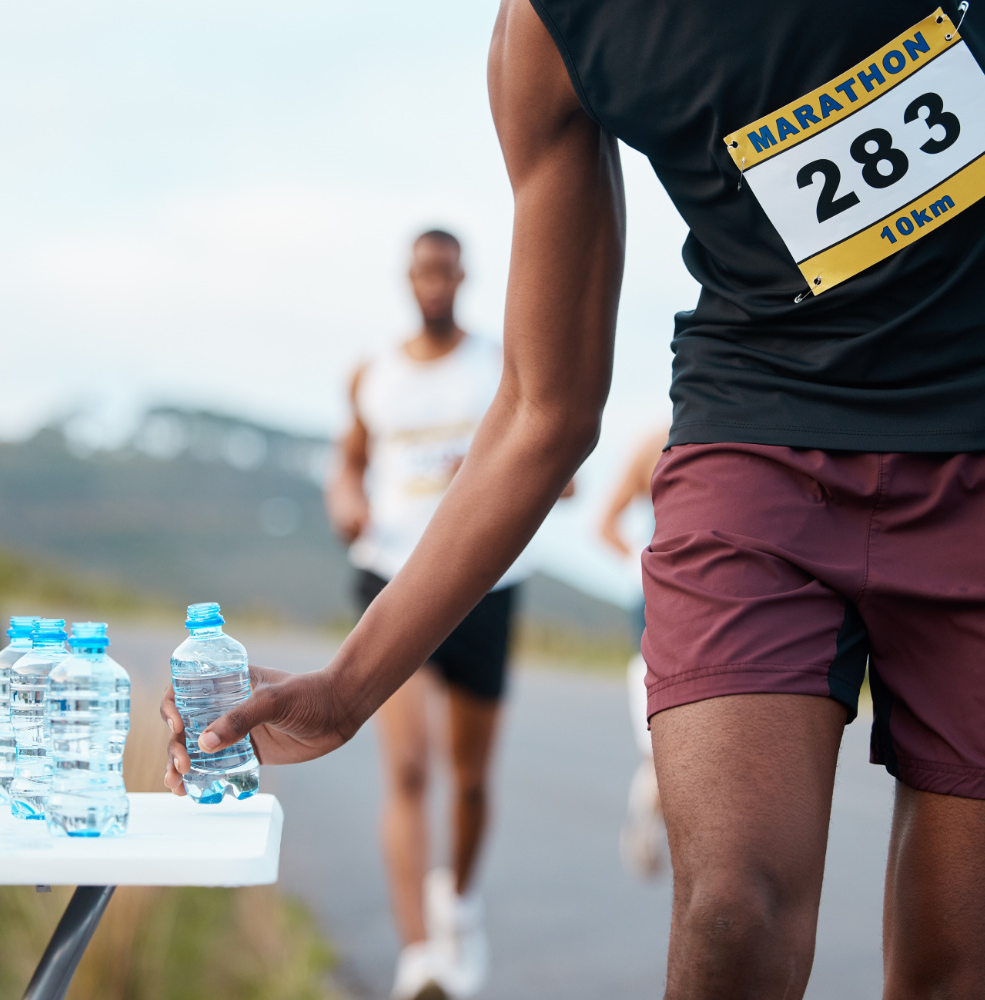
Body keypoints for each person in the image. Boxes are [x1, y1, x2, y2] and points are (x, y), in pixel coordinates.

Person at [164, 2, 985, 997]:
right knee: (732, 913)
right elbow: (542, 414)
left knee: (960, 966)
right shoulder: (551, 33)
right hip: (758, 446)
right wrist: (344, 690)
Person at [324, 229, 528, 1000]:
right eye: (422, 271)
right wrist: (346, 499)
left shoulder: (499, 365)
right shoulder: (373, 372)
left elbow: (552, 448)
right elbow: (348, 459)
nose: (433, 283)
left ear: (463, 276)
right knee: (408, 768)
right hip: (391, 575)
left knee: (469, 778)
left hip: (486, 579)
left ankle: (460, 907)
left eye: (445, 270)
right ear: (407, 279)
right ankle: (417, 958)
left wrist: (516, 475)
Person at [598, 430, 669, 877]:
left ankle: (653, 813)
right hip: (655, 608)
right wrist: (641, 564)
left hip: (722, 601)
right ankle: (649, 817)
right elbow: (604, 523)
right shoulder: (655, 442)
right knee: (663, 744)